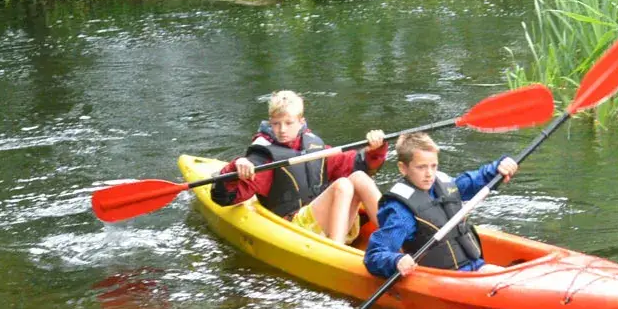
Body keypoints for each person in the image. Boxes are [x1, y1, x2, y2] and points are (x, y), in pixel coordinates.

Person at [211, 90, 386, 244]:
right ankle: (336, 251)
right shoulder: (263, 157)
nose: (281, 130)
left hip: (326, 222)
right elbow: (224, 197)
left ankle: (396, 237)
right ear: (270, 122)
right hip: (296, 228)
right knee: (343, 185)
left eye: (288, 123)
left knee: (359, 178)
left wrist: (373, 151)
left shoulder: (314, 145)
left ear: (301, 122)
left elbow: (358, 165)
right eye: (276, 123)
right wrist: (237, 168)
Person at [364, 132, 518, 277]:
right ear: (403, 168)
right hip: (445, 278)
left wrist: (498, 167)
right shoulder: (401, 212)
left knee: (499, 273)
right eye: (421, 167)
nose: (429, 174)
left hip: (477, 268)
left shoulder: (444, 185)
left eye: (433, 166)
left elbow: (475, 180)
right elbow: (374, 255)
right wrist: (396, 260)